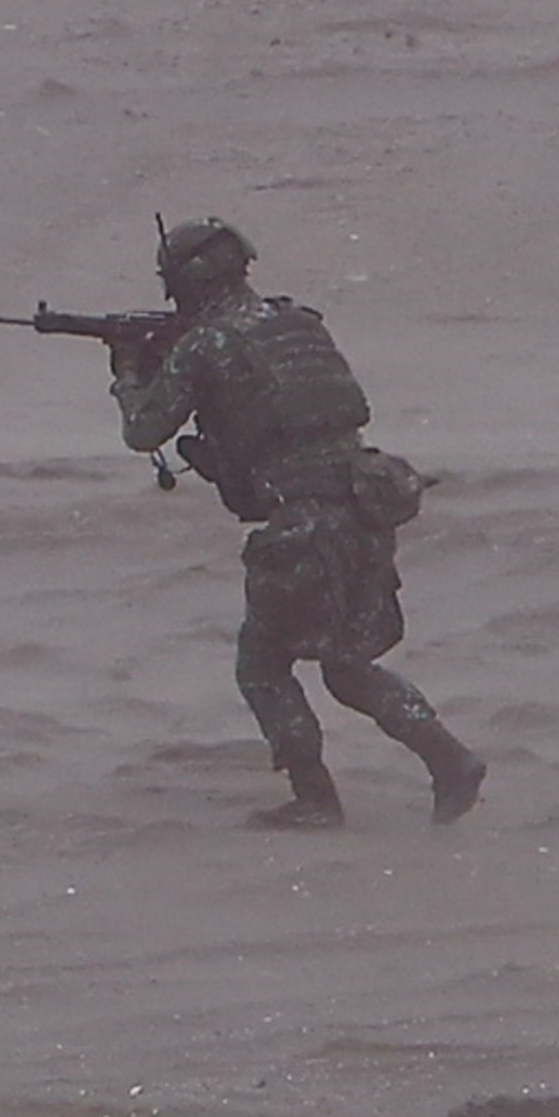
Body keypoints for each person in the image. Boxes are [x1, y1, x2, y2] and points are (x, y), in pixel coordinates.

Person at [98, 220, 482, 831]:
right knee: (348, 665)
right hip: (364, 502)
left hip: (303, 517)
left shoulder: (206, 346)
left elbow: (144, 432)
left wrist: (128, 374)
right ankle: (449, 759)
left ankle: (316, 800)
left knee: (262, 662)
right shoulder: (298, 322)